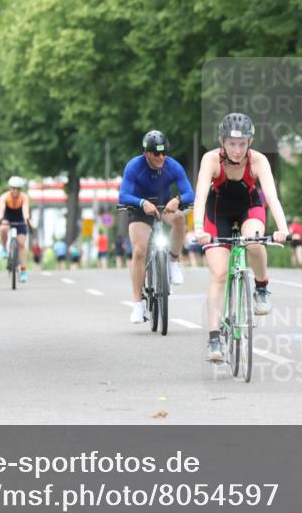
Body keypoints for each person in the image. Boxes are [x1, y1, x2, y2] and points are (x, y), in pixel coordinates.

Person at [194, 113, 288, 361]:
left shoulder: (258, 161)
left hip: (249, 207)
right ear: (222, 141)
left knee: (255, 242)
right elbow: (201, 196)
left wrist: (283, 228)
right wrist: (198, 229)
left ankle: (262, 287)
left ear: (250, 142)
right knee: (219, 273)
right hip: (218, 211)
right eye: (232, 144)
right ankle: (214, 339)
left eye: (242, 144)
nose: (237, 150)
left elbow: (273, 197)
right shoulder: (210, 160)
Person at [119, 130, 195, 323]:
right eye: (156, 153)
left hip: (164, 206)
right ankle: (138, 304)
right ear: (146, 153)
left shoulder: (173, 166)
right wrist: (141, 202)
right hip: (140, 209)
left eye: (164, 153)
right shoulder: (134, 166)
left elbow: (190, 193)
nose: (161, 157)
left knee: (179, 220)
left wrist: (177, 200)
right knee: (139, 250)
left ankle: (173, 261)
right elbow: (123, 195)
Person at [0, 176, 32, 283]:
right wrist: (0, 220)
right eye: (13, 188)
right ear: (10, 188)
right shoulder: (4, 197)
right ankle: (3, 248)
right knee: (3, 228)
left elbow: (25, 211)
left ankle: (23, 270)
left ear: (21, 189)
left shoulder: (24, 197)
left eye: (18, 188)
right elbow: (1, 211)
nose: (15, 191)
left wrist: (27, 220)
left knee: (21, 244)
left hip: (19, 216)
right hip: (8, 216)